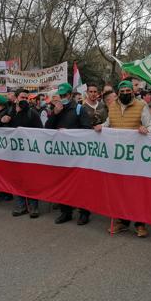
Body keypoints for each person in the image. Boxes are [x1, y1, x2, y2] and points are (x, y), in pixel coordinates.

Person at [95, 80, 151, 237]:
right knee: (120, 189)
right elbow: (109, 122)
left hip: (135, 157)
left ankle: (140, 224)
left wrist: (146, 129)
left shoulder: (141, 105)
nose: (126, 94)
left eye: (129, 91)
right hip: (118, 156)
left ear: (132, 92)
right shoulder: (112, 106)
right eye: (123, 92)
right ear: (119, 92)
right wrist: (102, 126)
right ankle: (122, 221)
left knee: (136, 190)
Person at [46, 83, 93, 225]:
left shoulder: (79, 109)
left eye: (65, 95)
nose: (62, 98)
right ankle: (65, 212)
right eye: (60, 96)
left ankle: (84, 213)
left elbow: (87, 130)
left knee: (80, 185)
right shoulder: (55, 109)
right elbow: (48, 128)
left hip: (77, 155)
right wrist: (55, 114)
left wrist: (70, 134)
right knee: (62, 184)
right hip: (61, 155)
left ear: (71, 95)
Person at [0, 89, 43, 217]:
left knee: (31, 180)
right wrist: (2, 120)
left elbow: (40, 131)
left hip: (29, 154)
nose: (25, 100)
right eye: (22, 97)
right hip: (14, 153)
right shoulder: (10, 111)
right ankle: (21, 205)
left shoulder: (32, 113)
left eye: (27, 98)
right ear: (16, 98)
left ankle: (33, 206)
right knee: (17, 179)